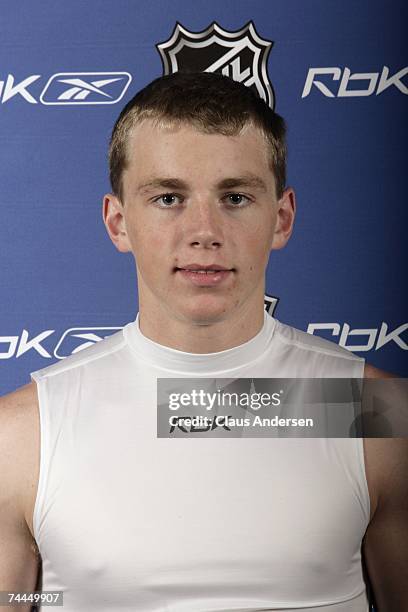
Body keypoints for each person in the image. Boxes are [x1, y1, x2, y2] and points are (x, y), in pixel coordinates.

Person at [0, 71, 406, 612]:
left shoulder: (372, 413)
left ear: (281, 218)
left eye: (235, 197)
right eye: (168, 197)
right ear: (118, 223)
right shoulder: (26, 436)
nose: (204, 230)